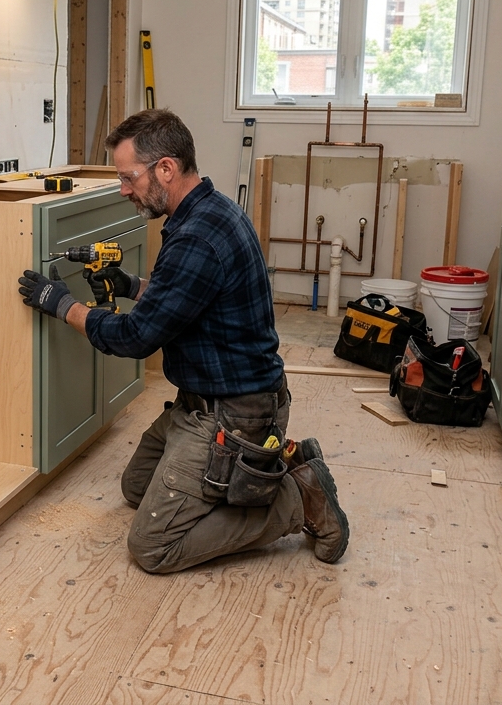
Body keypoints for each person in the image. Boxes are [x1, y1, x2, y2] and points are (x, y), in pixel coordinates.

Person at [17, 108, 349, 574]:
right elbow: (186, 296)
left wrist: (63, 305)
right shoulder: (210, 210)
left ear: (166, 169)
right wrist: (131, 285)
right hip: (203, 400)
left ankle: (298, 498)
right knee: (136, 488)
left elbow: (135, 337)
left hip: (234, 414)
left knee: (153, 546)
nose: (124, 189)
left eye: (129, 177)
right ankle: (259, 470)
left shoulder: (197, 238)